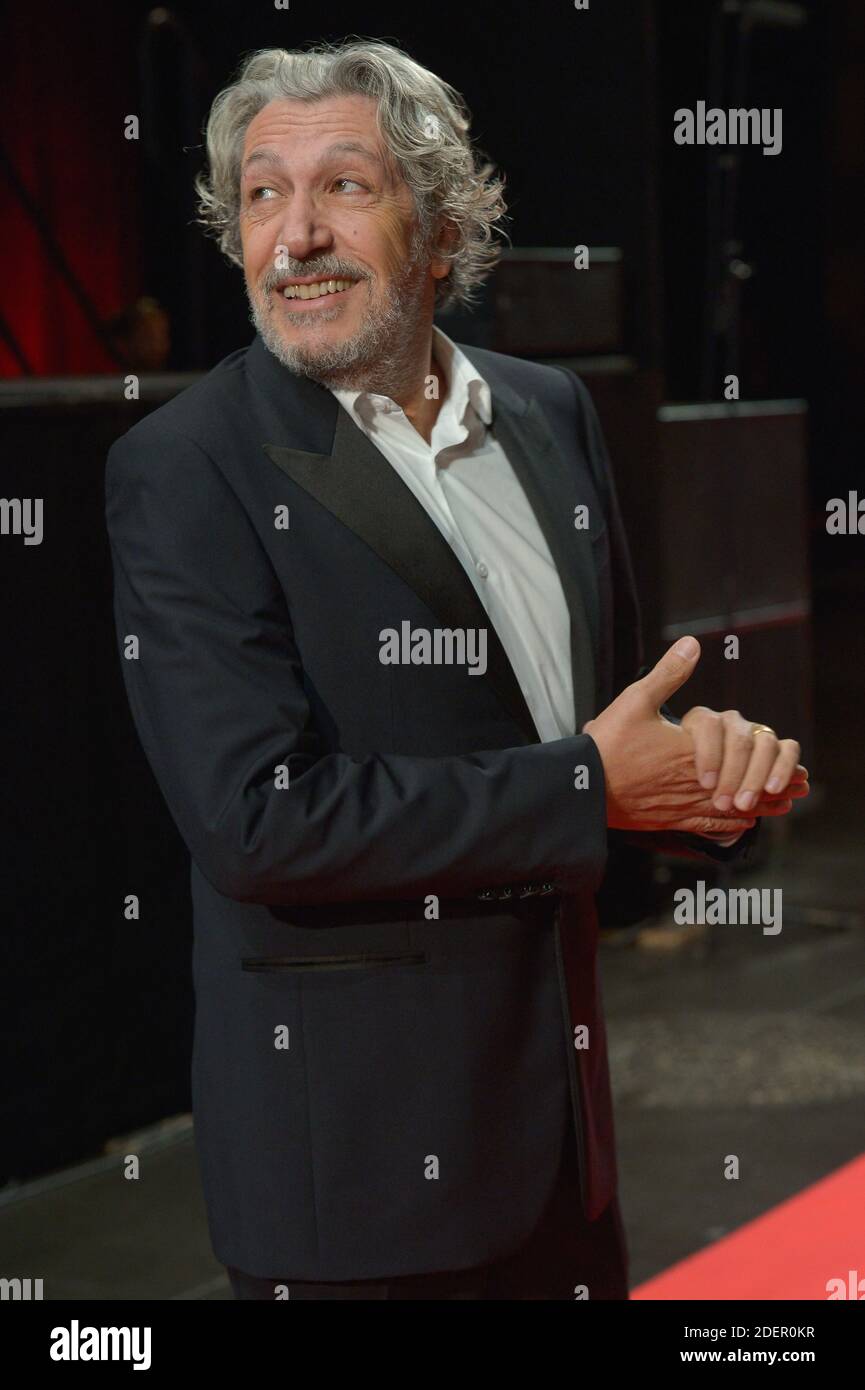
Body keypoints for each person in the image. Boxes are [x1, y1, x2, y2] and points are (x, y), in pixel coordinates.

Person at [104, 39, 807, 1300]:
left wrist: (706, 792)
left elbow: (595, 742)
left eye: (344, 188)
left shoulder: (549, 415)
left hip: (567, 1163)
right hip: (359, 1196)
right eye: (263, 193)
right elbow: (260, 821)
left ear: (443, 228)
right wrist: (596, 785)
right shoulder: (187, 468)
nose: (296, 234)